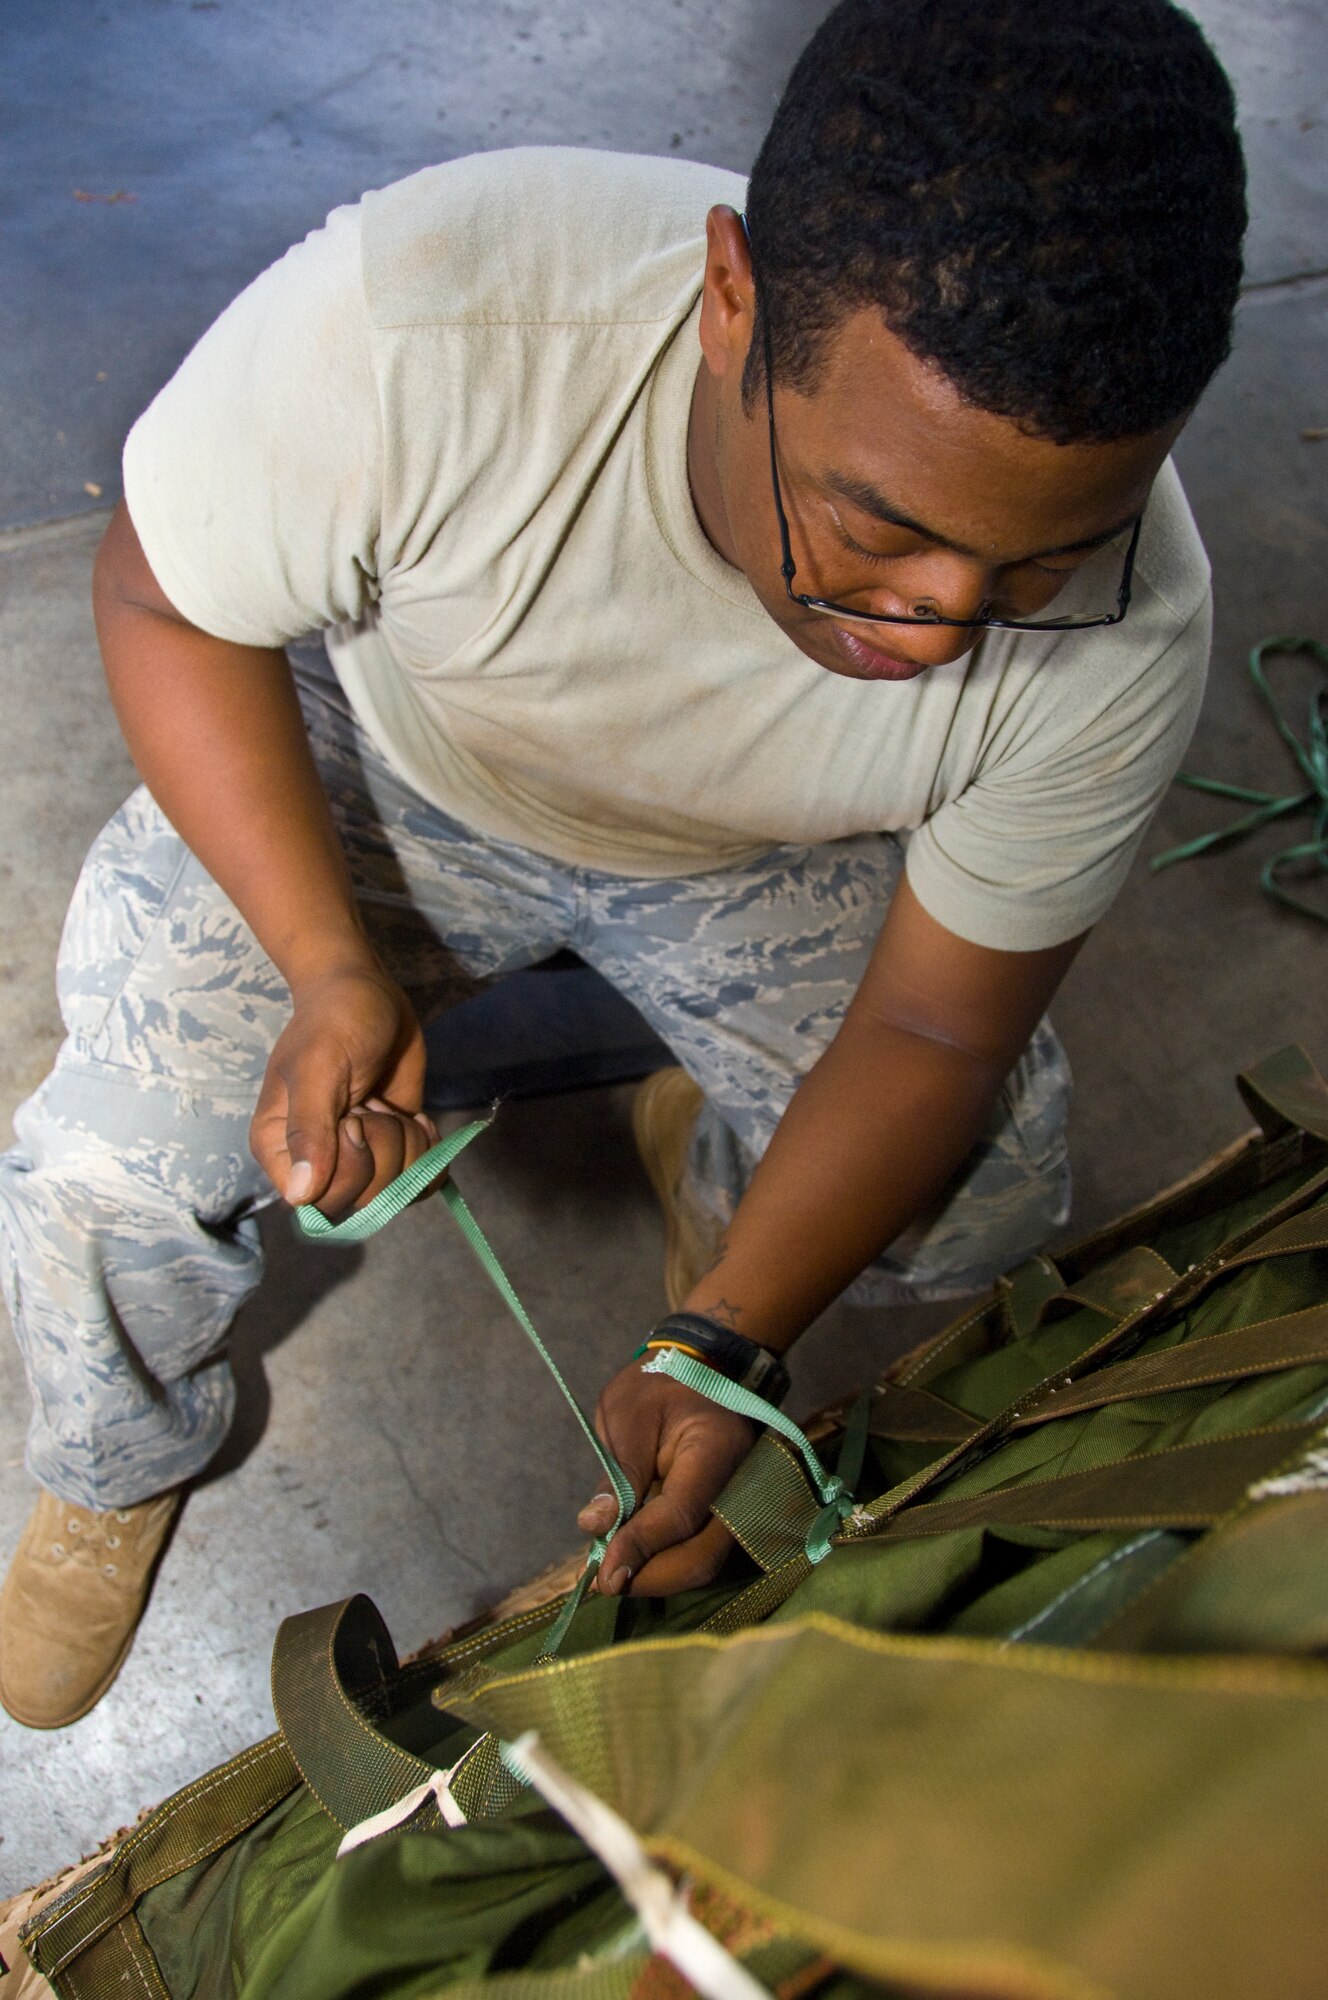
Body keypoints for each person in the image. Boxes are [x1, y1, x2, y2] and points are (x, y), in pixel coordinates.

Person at [0, 0, 1245, 1729]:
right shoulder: (437, 321)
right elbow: (160, 594)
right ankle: (118, 1449)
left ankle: (714, 1179)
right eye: (878, 525)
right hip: (389, 758)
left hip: (754, 854)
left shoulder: (1134, 624)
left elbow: (940, 1036)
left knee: (985, 1184)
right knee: (101, 1175)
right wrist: (325, 960)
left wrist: (726, 1341)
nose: (949, 629)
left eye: (1045, 561)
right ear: (732, 297)